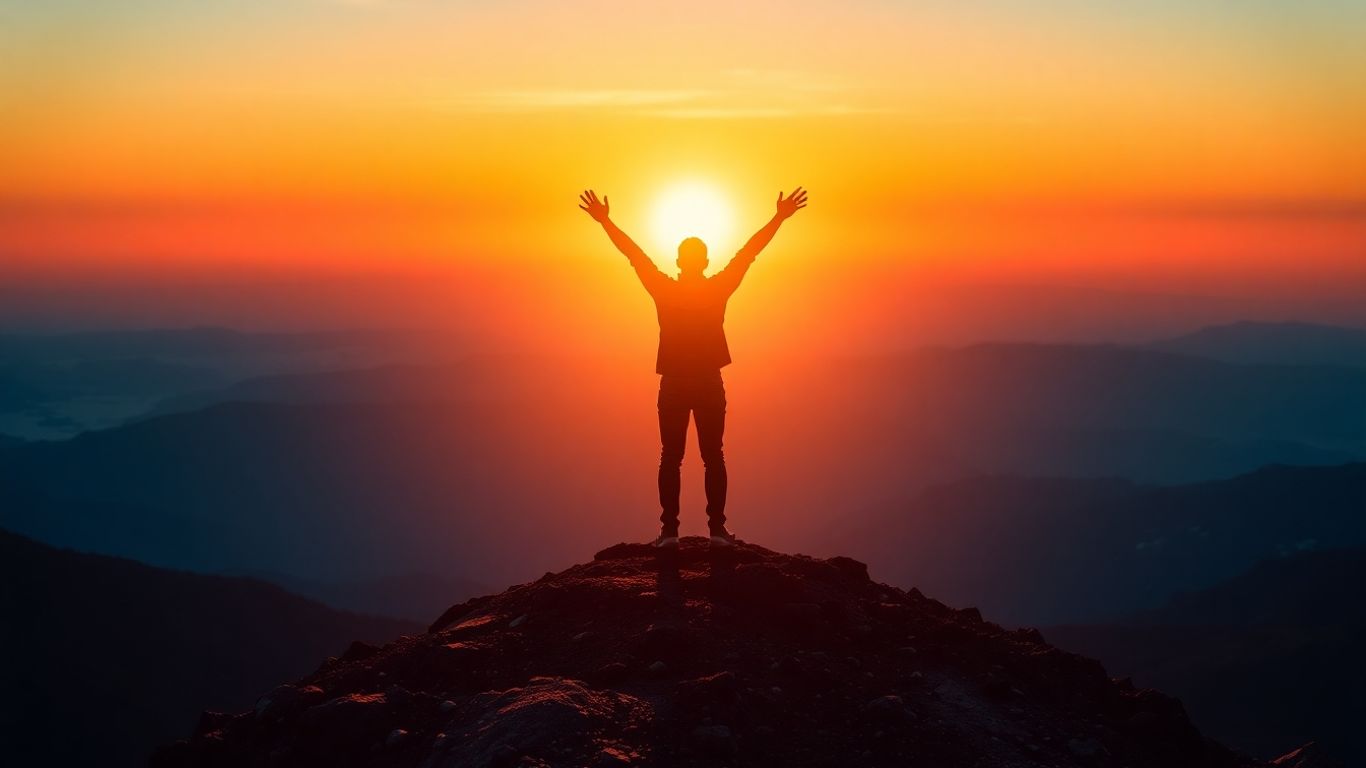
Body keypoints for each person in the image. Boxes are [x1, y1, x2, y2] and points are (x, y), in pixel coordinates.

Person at [578, 186, 808, 548]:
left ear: (678, 261)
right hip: (708, 382)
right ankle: (717, 531)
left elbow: (634, 255)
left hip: (672, 383)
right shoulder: (717, 289)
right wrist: (778, 217)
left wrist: (606, 221)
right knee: (713, 455)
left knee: (670, 457)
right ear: (704, 261)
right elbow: (748, 253)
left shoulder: (663, 289)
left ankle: (669, 532)